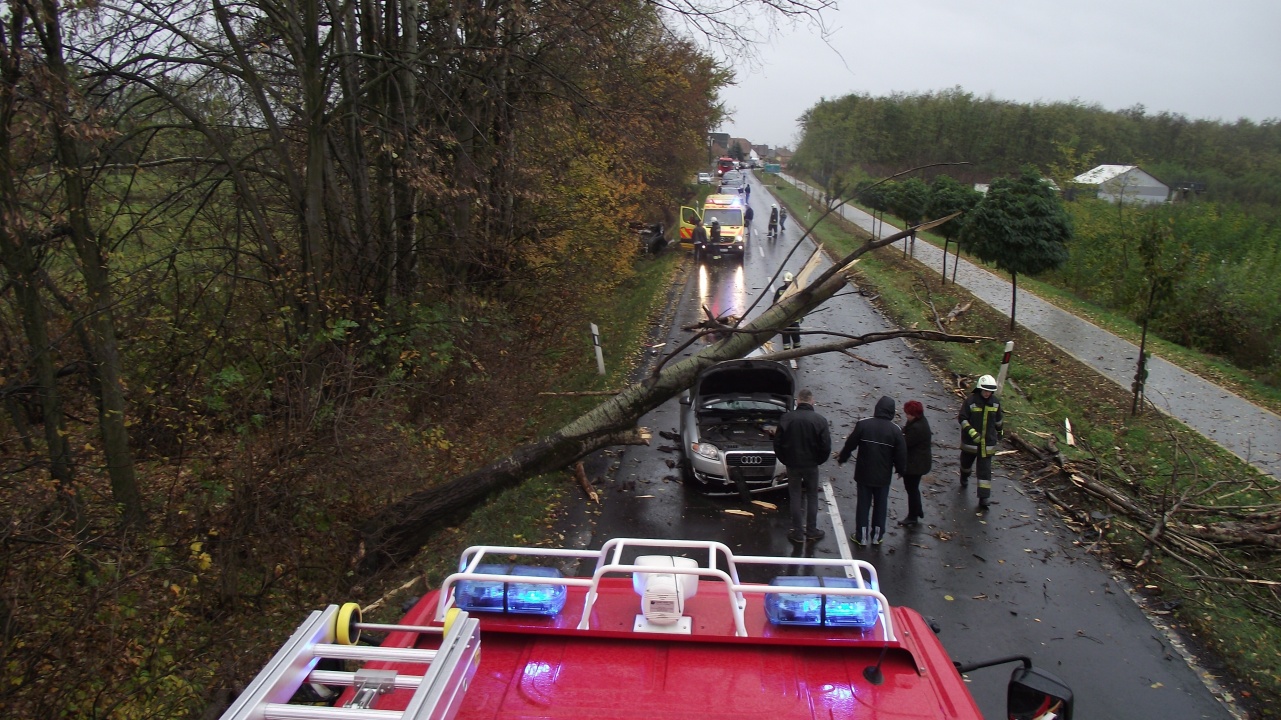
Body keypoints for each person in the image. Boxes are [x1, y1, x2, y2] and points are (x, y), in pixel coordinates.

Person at [837, 396, 906, 546]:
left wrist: (843, 458)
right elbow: (900, 454)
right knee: (881, 506)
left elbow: (850, 444)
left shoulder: (863, 425)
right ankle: (877, 535)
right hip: (883, 476)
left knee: (863, 505)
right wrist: (901, 470)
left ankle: (861, 536)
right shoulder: (895, 430)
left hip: (864, 474)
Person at [772, 388, 832, 545]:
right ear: (812, 401)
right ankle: (811, 531)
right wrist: (818, 460)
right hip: (811, 464)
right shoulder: (820, 420)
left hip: (793, 464)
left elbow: (777, 443)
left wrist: (785, 459)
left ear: (798, 401)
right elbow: (825, 446)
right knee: (812, 495)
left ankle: (797, 532)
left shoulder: (786, 418)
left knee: (795, 495)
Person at [958, 374, 1004, 508]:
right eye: (985, 391)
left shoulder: (995, 402)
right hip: (970, 443)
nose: (987, 393)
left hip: (987, 443)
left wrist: (1000, 432)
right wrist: (972, 433)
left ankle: (983, 498)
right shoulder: (970, 401)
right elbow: (963, 418)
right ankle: (964, 476)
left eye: (990, 391)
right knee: (966, 464)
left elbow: (999, 420)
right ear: (979, 389)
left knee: (985, 471)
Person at [898, 400, 932, 527]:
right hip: (919, 462)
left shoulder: (917, 428)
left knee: (911, 489)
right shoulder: (917, 421)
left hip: (916, 464)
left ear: (914, 415)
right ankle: (917, 510)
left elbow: (904, 443)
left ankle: (912, 516)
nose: (906, 416)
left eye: (908, 414)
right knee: (913, 488)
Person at [772, 272, 803, 350]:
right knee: (785, 335)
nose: (786, 283)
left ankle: (798, 350)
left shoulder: (797, 289)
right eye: (785, 281)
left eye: (788, 281)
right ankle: (787, 352)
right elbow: (775, 303)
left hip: (795, 317)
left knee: (796, 335)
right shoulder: (780, 290)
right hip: (784, 317)